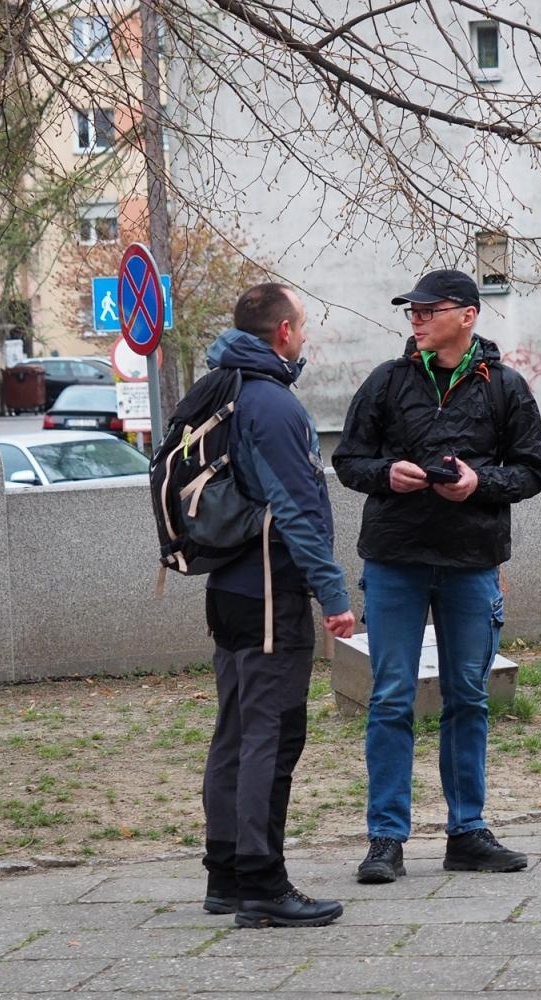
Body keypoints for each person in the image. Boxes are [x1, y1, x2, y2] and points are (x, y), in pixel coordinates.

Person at [333, 269, 541, 883]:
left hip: (470, 563)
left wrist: (481, 484)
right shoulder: (387, 380)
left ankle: (467, 832)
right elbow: (348, 459)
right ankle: (385, 840)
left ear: (468, 315)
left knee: (468, 699)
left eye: (429, 310)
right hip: (395, 560)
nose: (417, 320)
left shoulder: (505, 387)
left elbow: (533, 469)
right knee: (391, 697)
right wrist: (386, 474)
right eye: (412, 312)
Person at [199, 283, 357, 927]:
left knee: (235, 730)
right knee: (270, 733)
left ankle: (227, 876)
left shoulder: (220, 387)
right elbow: (297, 512)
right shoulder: (273, 404)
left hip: (227, 587)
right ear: (285, 332)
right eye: (304, 323)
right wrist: (336, 595)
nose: (307, 334)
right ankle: (263, 886)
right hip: (271, 592)